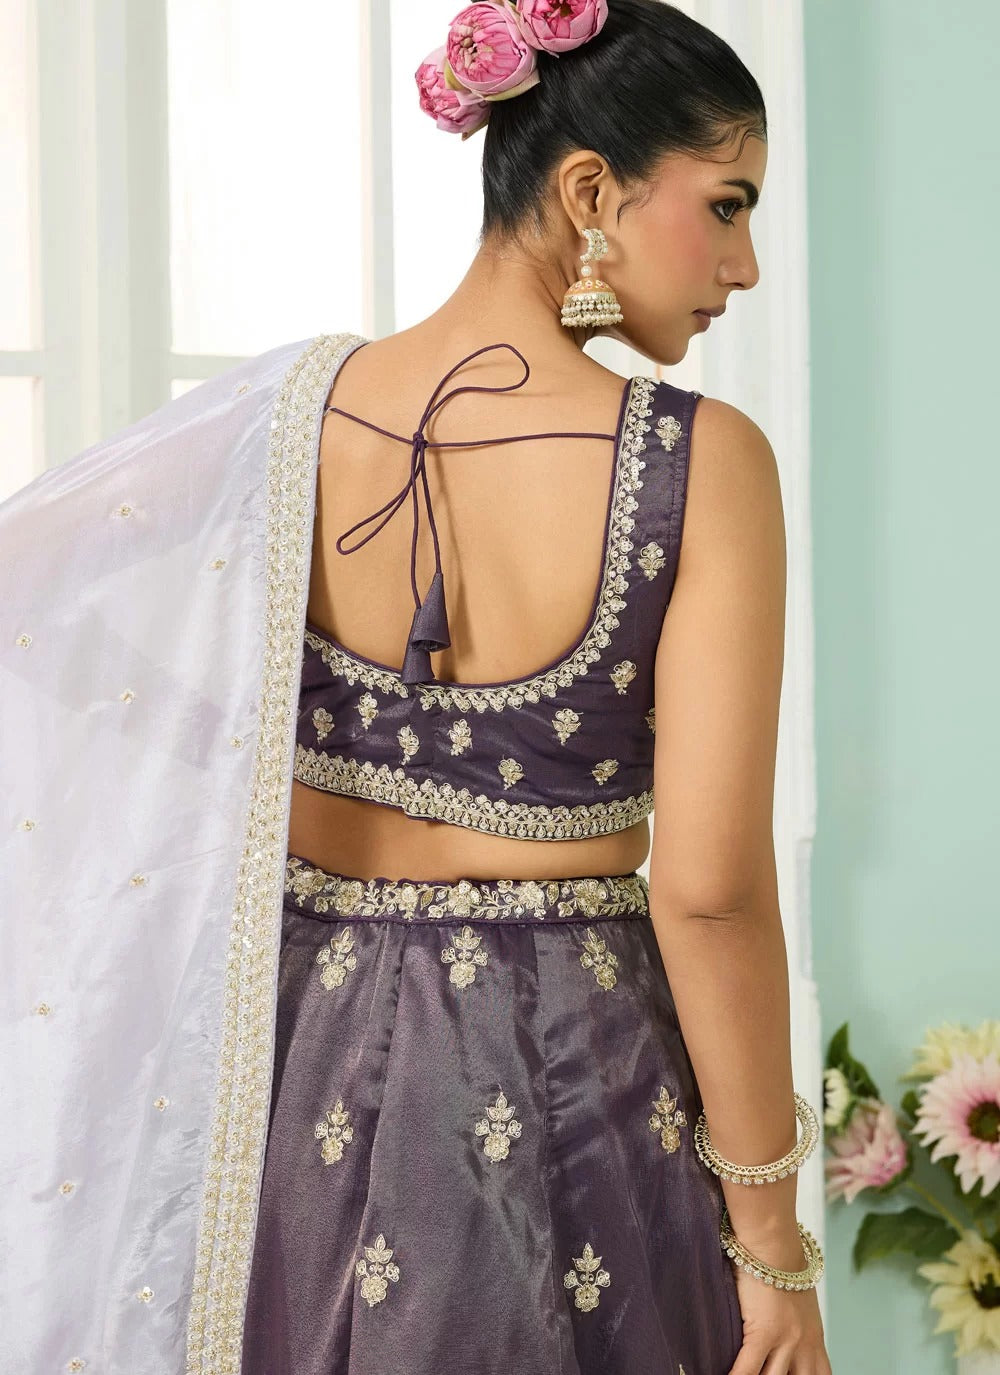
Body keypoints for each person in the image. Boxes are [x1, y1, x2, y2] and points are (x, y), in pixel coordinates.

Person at [0, 3, 832, 1374]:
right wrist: (772, 1249)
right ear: (588, 194)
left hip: (294, 1060)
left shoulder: (287, 415)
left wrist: (232, 740)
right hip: (577, 1080)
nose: (743, 264)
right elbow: (709, 890)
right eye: (727, 205)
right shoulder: (700, 460)